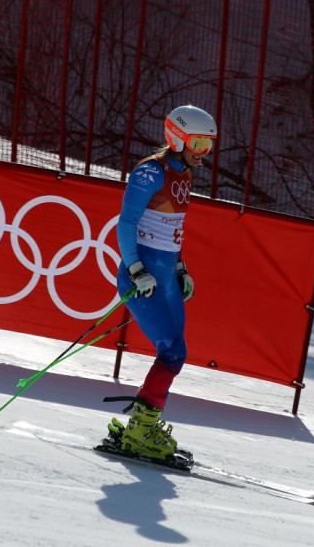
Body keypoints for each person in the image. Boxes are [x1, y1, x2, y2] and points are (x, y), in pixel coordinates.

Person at [103, 104, 217, 461]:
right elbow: (125, 224)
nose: (203, 153)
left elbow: (172, 232)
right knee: (173, 352)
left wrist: (180, 269)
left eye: (208, 145)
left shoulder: (182, 174)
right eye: (197, 143)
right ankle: (141, 431)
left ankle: (143, 426)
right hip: (143, 276)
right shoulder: (151, 172)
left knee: (174, 351)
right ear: (177, 137)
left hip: (165, 275)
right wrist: (136, 269)